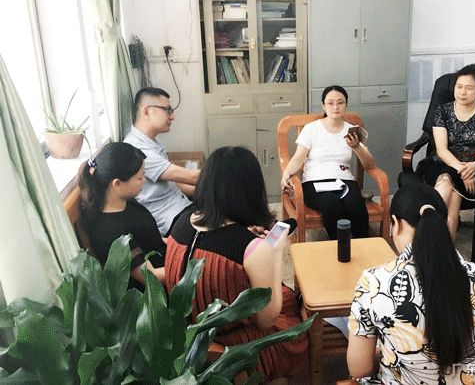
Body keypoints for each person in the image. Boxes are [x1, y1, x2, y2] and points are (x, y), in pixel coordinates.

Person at [164, 146, 307, 381]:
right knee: (296, 317)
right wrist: (275, 252)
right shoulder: (254, 250)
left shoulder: (181, 222)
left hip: (186, 335)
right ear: (252, 190)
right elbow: (267, 320)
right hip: (236, 347)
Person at [346, 176, 475, 384]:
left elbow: (359, 368)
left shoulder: (373, 283)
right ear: (445, 224)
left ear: (395, 225)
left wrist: (389, 351)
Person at [416, 63, 475, 241]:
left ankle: (424, 236)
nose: (462, 92)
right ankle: (445, 243)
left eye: (469, 88)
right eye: (459, 87)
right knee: (447, 180)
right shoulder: (442, 111)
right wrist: (464, 171)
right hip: (442, 163)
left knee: (450, 187)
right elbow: (441, 150)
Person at [280, 85, 375, 239]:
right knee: (332, 205)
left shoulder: (352, 131)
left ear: (346, 104)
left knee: (355, 204)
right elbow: (298, 158)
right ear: (323, 105)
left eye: (340, 102)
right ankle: (339, 245)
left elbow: (369, 165)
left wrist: (356, 147)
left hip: (344, 180)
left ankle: (362, 245)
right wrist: (286, 173)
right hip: (314, 181)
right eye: (330, 103)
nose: (335, 107)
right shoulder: (311, 129)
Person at [78, 142, 165, 290]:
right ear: (117, 184)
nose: (144, 180)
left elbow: (149, 238)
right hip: (154, 294)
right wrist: (191, 269)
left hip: (165, 258)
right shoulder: (111, 234)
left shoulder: (125, 201)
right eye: (140, 177)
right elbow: (152, 277)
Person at [124, 87, 200, 236]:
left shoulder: (151, 141)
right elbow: (192, 177)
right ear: (147, 111)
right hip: (171, 220)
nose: (172, 117)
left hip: (182, 207)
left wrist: (207, 194)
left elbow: (175, 182)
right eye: (168, 110)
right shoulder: (136, 149)